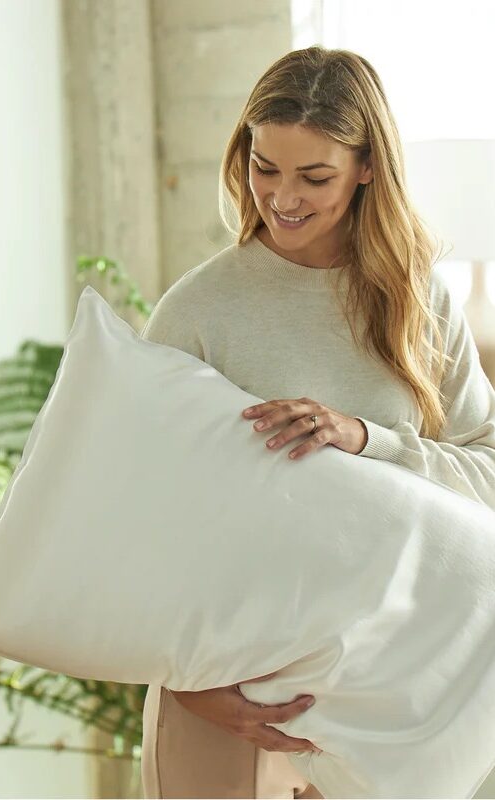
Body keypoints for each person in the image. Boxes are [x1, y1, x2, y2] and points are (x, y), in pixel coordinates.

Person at [139, 44, 495, 799]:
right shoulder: (199, 310)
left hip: (393, 695)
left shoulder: (419, 301)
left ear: (368, 167)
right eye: (265, 167)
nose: (282, 198)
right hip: (222, 687)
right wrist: (193, 688)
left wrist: (368, 439)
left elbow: (487, 474)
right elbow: (139, 517)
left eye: (315, 176)